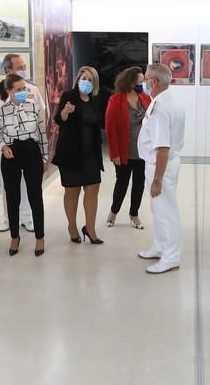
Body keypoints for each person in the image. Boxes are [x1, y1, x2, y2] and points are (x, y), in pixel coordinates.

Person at [0, 53, 46, 233]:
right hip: (4, 144)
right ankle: (8, 217)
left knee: (29, 181)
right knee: (7, 181)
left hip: (28, 142)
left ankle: (27, 217)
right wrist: (2, 135)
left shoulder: (30, 87)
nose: (24, 70)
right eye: (20, 67)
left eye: (24, 66)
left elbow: (40, 113)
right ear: (8, 70)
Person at [137, 64, 185, 274]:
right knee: (158, 210)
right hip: (161, 164)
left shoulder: (161, 108)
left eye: (146, 79)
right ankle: (159, 246)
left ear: (154, 82)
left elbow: (162, 148)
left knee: (166, 212)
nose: (143, 83)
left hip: (160, 166)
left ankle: (171, 257)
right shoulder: (167, 101)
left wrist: (157, 179)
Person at [0, 74, 49, 257]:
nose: (23, 92)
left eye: (24, 89)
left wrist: (45, 158)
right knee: (12, 197)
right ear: (9, 91)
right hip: (11, 154)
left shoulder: (33, 107)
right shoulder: (1, 110)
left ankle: (40, 237)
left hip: (31, 152)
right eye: (18, 90)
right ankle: (15, 237)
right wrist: (3, 147)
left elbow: (42, 133)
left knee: (35, 196)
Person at [51, 66, 104, 245]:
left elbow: (99, 124)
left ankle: (90, 229)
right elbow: (59, 119)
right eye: (83, 78)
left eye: (90, 79)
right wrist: (65, 112)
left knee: (92, 191)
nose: (86, 82)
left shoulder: (95, 99)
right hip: (71, 154)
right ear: (77, 80)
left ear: (94, 83)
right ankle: (72, 227)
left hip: (91, 155)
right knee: (72, 192)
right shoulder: (69, 96)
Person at [104, 66, 151, 230]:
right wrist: (114, 153)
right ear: (130, 82)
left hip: (143, 152)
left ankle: (134, 214)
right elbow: (110, 128)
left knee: (139, 183)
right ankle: (113, 212)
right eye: (140, 81)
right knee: (122, 183)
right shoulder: (116, 100)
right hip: (124, 151)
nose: (143, 83)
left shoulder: (145, 98)